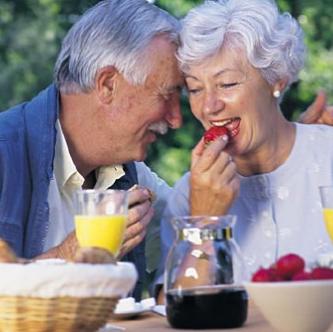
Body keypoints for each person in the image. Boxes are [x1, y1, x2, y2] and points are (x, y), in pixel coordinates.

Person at [0, 0, 183, 300]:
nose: (175, 119)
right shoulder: (4, 151)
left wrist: (206, 203)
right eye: (166, 95)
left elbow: (194, 245)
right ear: (108, 84)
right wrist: (69, 256)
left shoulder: (134, 180)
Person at [160, 0, 333, 279]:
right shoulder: (187, 197)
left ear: (277, 79)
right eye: (194, 89)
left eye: (227, 84)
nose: (209, 106)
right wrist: (204, 224)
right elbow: (177, 313)